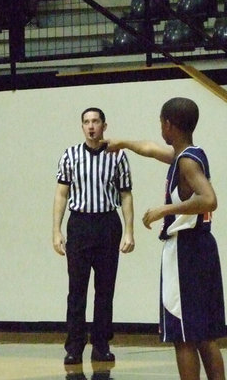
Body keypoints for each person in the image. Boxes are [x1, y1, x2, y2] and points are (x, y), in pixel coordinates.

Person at [104, 97, 226, 380]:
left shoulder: (186, 163)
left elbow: (209, 199)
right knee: (205, 333)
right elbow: (151, 149)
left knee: (182, 335)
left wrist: (164, 210)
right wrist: (123, 143)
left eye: (161, 122)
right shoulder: (189, 154)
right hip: (203, 247)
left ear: (168, 124)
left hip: (186, 250)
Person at [52, 107, 134, 365]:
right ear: (82, 126)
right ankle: (74, 346)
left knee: (105, 290)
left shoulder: (117, 155)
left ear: (104, 126)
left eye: (95, 121)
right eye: (86, 122)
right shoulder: (70, 155)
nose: (91, 126)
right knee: (76, 289)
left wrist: (130, 230)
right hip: (79, 224)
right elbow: (61, 194)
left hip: (107, 224)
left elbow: (125, 195)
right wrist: (56, 230)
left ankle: (101, 345)